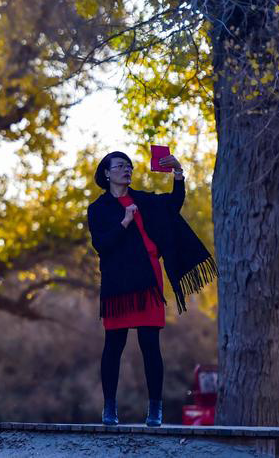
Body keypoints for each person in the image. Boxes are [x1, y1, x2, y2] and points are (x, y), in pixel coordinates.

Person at [87, 151, 216, 427]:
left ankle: (155, 410)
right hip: (117, 284)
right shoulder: (98, 209)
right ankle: (109, 408)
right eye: (120, 166)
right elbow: (102, 245)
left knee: (150, 344)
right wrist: (124, 222)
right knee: (114, 345)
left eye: (129, 166)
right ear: (107, 173)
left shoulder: (143, 200)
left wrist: (179, 174)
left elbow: (173, 204)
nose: (126, 170)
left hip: (148, 280)